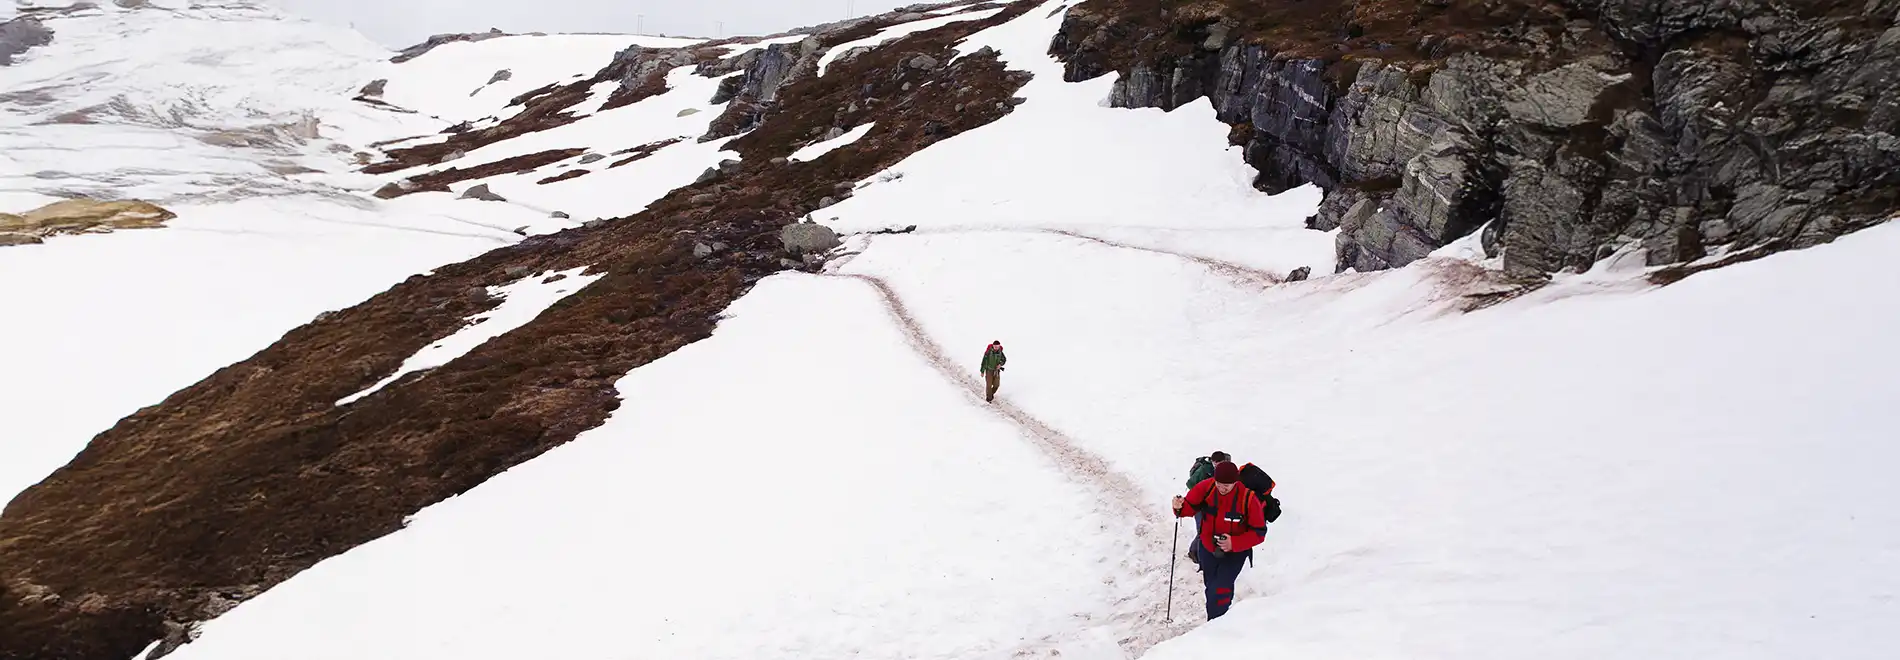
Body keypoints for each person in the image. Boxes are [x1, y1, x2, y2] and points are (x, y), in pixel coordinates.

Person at [1172, 461, 1267, 620]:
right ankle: (1216, 623)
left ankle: (1216, 626)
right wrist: (1178, 506)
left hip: (1235, 554)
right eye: (1219, 484)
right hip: (1208, 548)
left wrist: (1234, 543)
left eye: (1227, 486)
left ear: (1235, 483)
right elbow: (1188, 507)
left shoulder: (1248, 499)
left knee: (1220, 589)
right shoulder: (1206, 488)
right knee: (1211, 588)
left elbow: (1259, 533)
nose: (1222, 488)